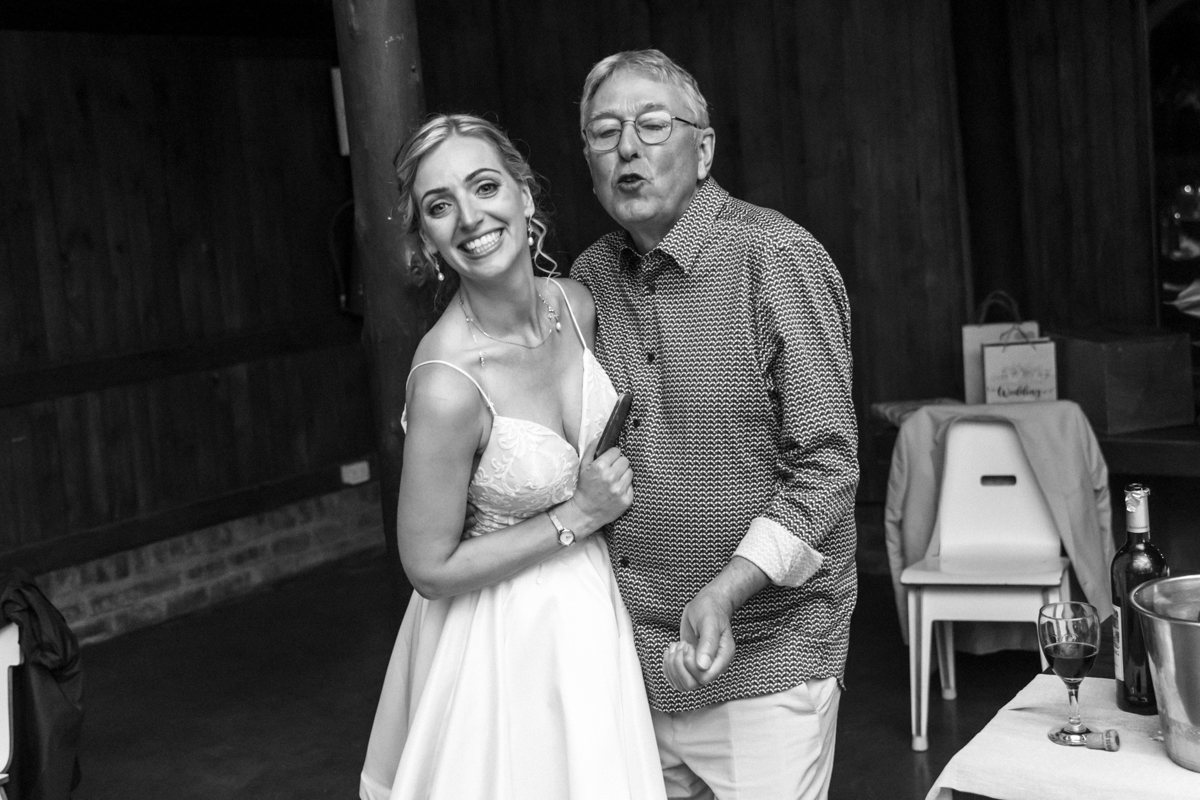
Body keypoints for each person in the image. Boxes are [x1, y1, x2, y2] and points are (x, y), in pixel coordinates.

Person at [571, 50, 859, 800]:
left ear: (703, 150)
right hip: (629, 666)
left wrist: (727, 590)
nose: (626, 148)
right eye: (604, 132)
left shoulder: (776, 258)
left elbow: (829, 466)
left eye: (651, 125)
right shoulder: (588, 280)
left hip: (767, 660)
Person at [358, 114, 668, 800]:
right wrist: (576, 517)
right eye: (440, 206)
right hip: (499, 640)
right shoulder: (447, 384)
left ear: (524, 196)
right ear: (428, 239)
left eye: (485, 186)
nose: (471, 217)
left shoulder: (577, 307)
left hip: (593, 609)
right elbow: (428, 568)